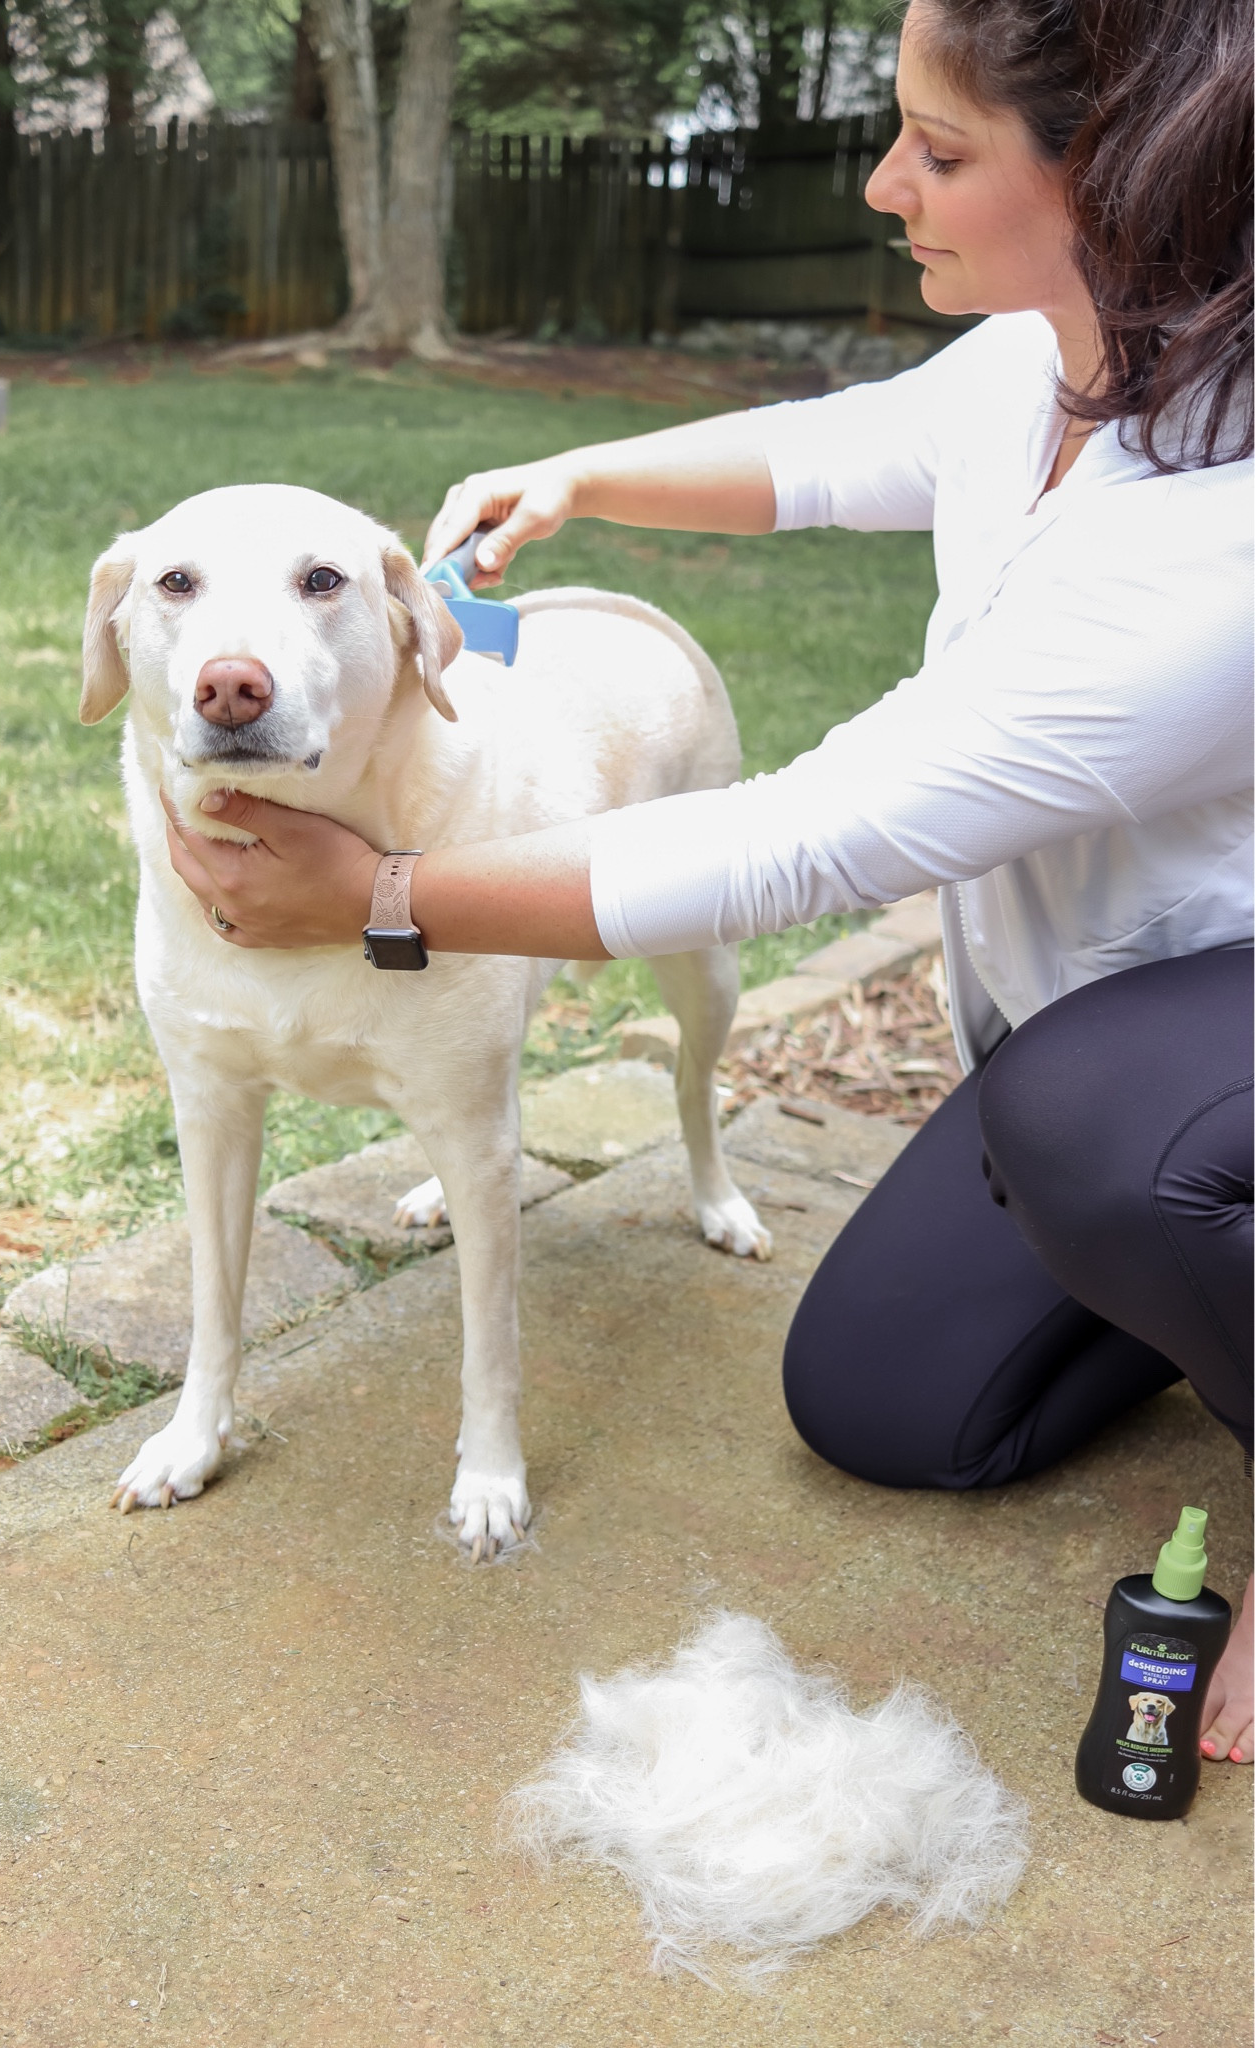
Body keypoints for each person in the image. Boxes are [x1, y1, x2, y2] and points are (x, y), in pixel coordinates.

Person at [161, 0, 1253, 1761]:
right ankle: (1187, 1271)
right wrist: (582, 473)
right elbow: (834, 449)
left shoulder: (1218, 543)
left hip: (1201, 1033)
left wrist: (380, 897)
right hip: (1108, 1035)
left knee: (1082, 1124)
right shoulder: (1057, 352)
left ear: (1124, 176)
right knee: (883, 1403)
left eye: (943, 150)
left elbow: (807, 840)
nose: (887, 177)